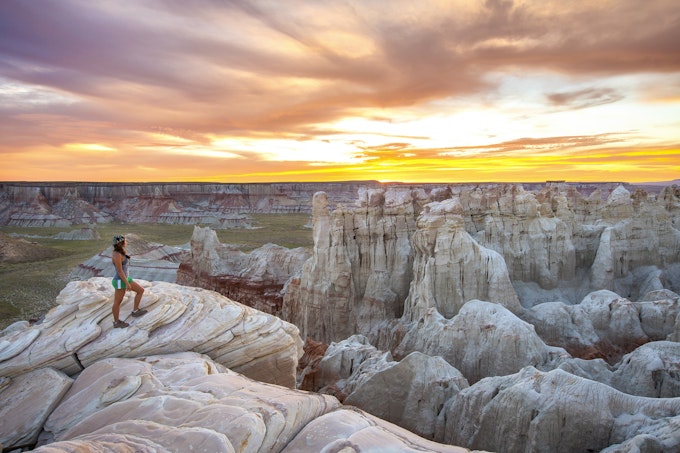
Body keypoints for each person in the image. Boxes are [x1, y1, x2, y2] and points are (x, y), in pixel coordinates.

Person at [111, 235, 146, 328]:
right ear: (121, 242)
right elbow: (119, 270)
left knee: (140, 290)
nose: (126, 242)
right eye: (125, 241)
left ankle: (135, 311)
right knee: (117, 302)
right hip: (120, 280)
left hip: (125, 278)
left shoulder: (120, 252)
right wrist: (127, 283)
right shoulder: (117, 254)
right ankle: (116, 322)